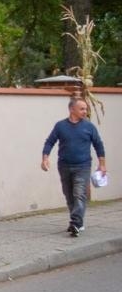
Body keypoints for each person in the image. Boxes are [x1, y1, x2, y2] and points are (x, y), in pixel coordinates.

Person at [41, 97, 107, 237]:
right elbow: (50, 142)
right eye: (82, 109)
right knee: (69, 195)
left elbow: (98, 145)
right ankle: (78, 223)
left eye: (86, 109)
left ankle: (75, 223)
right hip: (64, 165)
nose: (85, 111)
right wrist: (45, 158)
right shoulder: (60, 126)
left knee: (79, 194)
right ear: (72, 109)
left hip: (83, 166)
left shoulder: (89, 127)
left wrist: (102, 164)